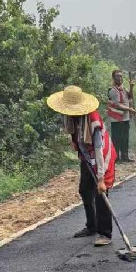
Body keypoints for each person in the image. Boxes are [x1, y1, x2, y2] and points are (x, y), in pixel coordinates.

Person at [47, 85, 117, 247]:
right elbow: (79, 141)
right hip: (87, 157)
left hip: (102, 158)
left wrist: (100, 179)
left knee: (101, 194)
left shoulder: (93, 120)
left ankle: (105, 233)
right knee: (85, 189)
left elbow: (99, 149)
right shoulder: (73, 118)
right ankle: (91, 226)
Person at [106, 69, 135, 163]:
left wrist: (131, 87)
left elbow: (130, 96)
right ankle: (116, 157)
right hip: (116, 118)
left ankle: (125, 157)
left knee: (125, 138)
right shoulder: (113, 91)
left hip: (125, 117)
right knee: (117, 138)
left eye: (121, 76)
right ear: (113, 78)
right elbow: (117, 105)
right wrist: (130, 109)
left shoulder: (123, 88)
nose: (120, 78)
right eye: (117, 76)